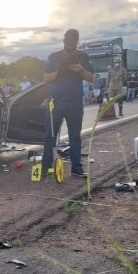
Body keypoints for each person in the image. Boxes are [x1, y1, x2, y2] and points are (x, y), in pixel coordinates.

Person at [42, 28, 95, 178]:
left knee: (75, 136)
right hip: (56, 102)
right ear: (64, 40)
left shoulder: (83, 57)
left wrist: (80, 70)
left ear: (77, 42)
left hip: (74, 102)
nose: (69, 43)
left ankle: (76, 167)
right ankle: (46, 166)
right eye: (67, 40)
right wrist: (60, 72)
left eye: (73, 41)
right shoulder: (53, 57)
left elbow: (91, 78)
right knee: (50, 135)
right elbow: (46, 78)